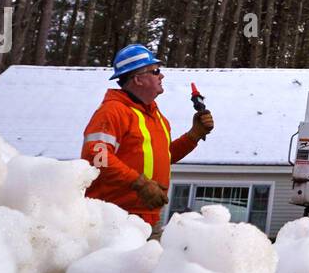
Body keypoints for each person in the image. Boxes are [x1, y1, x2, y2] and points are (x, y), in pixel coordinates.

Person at [81, 44, 214, 234]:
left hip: (146, 217)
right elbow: (97, 158)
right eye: (155, 71)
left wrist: (193, 136)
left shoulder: (155, 115)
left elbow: (161, 157)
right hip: (113, 218)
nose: (162, 76)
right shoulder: (112, 112)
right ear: (138, 79)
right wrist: (139, 183)